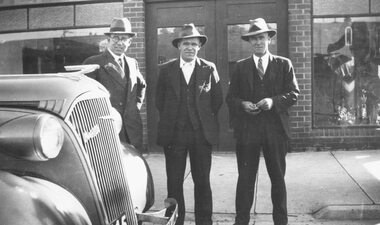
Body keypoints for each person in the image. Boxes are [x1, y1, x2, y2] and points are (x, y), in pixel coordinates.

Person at [226, 18, 300, 225]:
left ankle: (280, 221)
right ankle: (241, 221)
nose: (258, 42)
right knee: (245, 179)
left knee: (278, 179)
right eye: (253, 39)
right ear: (249, 42)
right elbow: (230, 98)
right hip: (248, 131)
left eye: (261, 37)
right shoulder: (241, 67)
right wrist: (242, 105)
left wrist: (273, 101)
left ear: (269, 39)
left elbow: (294, 93)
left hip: (275, 130)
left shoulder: (283, 64)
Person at [155, 23, 223, 225]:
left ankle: (204, 221)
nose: (190, 47)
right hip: (174, 135)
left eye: (194, 44)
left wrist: (202, 121)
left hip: (201, 135)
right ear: (179, 46)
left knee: (202, 181)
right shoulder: (166, 70)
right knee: (174, 182)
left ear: (199, 46)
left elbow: (217, 100)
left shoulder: (209, 68)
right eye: (186, 43)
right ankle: (176, 221)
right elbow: (159, 101)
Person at [83, 17, 146, 151]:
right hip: (107, 127)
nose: (119, 42)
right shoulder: (94, 62)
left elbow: (141, 86)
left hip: (131, 128)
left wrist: (133, 108)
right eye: (116, 38)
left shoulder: (132, 63)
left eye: (124, 39)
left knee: (132, 164)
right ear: (108, 40)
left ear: (129, 42)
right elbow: (85, 96)